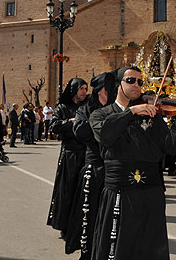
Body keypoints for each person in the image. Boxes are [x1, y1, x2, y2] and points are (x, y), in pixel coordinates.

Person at [89, 66, 176, 260]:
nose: (137, 85)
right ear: (118, 84)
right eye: (131, 80)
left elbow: (174, 148)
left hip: (151, 193)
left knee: (150, 248)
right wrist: (131, 112)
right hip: (120, 193)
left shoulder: (153, 117)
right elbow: (106, 135)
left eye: (140, 81)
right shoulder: (100, 114)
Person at [66, 72, 118, 258]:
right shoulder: (86, 109)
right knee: (90, 216)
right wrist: (102, 124)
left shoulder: (119, 108)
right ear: (102, 90)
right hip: (94, 169)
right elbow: (80, 131)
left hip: (114, 170)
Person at [48, 78, 88, 239]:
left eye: (86, 88)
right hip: (70, 154)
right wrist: (71, 122)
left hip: (85, 153)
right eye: (81, 89)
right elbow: (54, 127)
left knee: (84, 191)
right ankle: (65, 225)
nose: (84, 92)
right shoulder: (63, 108)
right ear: (73, 90)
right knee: (67, 190)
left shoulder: (87, 107)